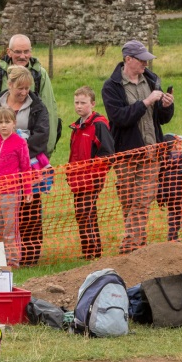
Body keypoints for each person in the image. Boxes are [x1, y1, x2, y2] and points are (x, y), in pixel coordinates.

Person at [101, 40, 174, 254]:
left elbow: (161, 119)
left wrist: (167, 106)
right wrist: (146, 102)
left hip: (151, 151)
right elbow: (119, 118)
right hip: (126, 154)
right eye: (141, 60)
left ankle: (131, 245)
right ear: (128, 59)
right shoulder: (111, 87)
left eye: (146, 60)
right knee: (128, 200)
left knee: (143, 199)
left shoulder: (151, 81)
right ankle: (138, 245)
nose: (145, 64)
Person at [0, 65, 50, 266]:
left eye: (27, 88)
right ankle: (1, 258)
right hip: (0, 174)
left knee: (30, 213)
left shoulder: (37, 106)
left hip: (30, 166)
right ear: (9, 85)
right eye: (20, 87)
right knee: (1, 221)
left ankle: (28, 256)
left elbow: (42, 133)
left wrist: (18, 149)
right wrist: (1, 151)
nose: (24, 92)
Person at [0, 34, 60, 156]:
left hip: (31, 148)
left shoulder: (40, 74)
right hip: (1, 148)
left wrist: (47, 149)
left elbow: (49, 111)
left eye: (26, 52)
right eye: (18, 52)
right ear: (9, 52)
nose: (23, 56)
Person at [0, 106, 33, 267]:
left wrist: (28, 190)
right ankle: (0, 259)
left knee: (10, 228)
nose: (4, 125)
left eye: (7, 122)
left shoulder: (20, 143)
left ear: (14, 123)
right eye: (0, 122)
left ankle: (13, 261)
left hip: (11, 192)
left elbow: (26, 168)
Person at [67, 86, 115, 260]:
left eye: (83, 103)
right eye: (76, 103)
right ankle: (88, 250)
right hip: (77, 178)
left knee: (86, 212)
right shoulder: (77, 127)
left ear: (92, 104)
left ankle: (94, 250)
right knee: (81, 213)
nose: (79, 106)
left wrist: (95, 173)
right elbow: (73, 153)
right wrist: (69, 172)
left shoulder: (99, 125)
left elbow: (108, 153)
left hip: (92, 178)